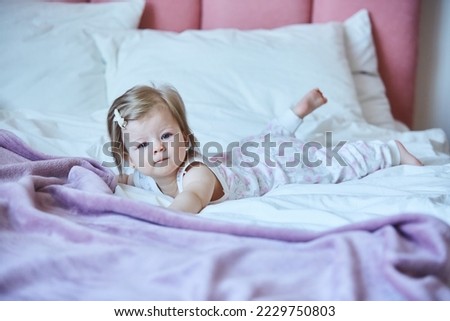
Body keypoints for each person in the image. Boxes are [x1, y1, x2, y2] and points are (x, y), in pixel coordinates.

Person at [107, 85, 422, 214]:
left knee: (326, 164)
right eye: (143, 145)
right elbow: (125, 180)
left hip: (269, 170)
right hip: (236, 159)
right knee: (260, 140)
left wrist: (164, 219)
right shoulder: (143, 176)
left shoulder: (195, 174)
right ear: (127, 156)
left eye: (166, 136)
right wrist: (111, 179)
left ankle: (390, 150)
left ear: (186, 138)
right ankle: (295, 113)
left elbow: (191, 199)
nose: (158, 150)